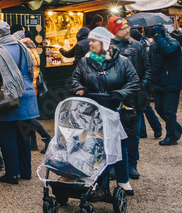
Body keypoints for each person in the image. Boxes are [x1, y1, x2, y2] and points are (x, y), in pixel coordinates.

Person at [70, 26, 140, 196]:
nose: (90, 43)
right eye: (90, 40)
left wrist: (120, 94)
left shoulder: (123, 61)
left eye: (93, 40)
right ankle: (96, 180)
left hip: (116, 110)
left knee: (119, 146)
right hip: (93, 111)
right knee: (94, 146)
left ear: (104, 42)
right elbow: (75, 78)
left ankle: (123, 180)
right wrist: (78, 87)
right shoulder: (85, 62)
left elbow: (134, 81)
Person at [0, 21, 39, 185]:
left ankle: (12, 174)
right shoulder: (22, 47)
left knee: (7, 138)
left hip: (9, 99)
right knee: (23, 137)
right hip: (27, 97)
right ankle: (25, 172)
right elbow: (30, 70)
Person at [108, 17, 149, 180]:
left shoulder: (138, 46)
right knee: (113, 133)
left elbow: (147, 68)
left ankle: (132, 164)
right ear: (114, 31)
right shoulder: (107, 47)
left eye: (127, 27)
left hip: (135, 97)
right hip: (115, 96)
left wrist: (142, 86)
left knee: (133, 134)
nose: (127, 30)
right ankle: (113, 165)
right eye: (122, 28)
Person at [147, 26, 182, 146]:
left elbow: (169, 51)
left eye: (154, 36)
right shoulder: (154, 45)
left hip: (172, 82)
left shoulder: (173, 42)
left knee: (169, 111)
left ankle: (171, 136)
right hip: (159, 81)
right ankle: (177, 128)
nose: (153, 39)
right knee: (159, 108)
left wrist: (159, 38)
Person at [131, 28, 163, 140]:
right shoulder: (144, 44)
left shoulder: (139, 46)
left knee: (145, 106)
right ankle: (143, 131)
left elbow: (146, 65)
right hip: (142, 81)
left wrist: (144, 83)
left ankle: (157, 128)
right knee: (142, 106)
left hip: (142, 82)